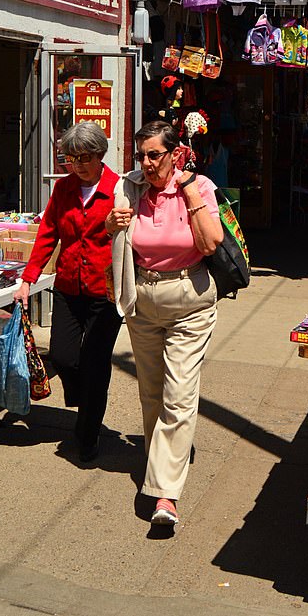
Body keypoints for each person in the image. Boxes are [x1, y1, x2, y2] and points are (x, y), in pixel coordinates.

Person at [105, 121, 223, 528]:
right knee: (151, 394)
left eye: (154, 154)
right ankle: (163, 459)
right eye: (141, 155)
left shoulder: (200, 187)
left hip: (189, 300)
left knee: (179, 396)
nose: (146, 163)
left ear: (175, 154)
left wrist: (188, 190)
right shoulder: (131, 187)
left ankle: (164, 494)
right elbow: (116, 236)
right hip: (143, 300)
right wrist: (111, 227)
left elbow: (210, 244)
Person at [13, 122, 121, 463]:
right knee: (62, 356)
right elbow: (47, 233)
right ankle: (83, 399)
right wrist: (28, 279)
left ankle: (87, 435)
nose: (78, 165)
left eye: (84, 157)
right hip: (69, 287)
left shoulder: (120, 189)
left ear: (100, 155)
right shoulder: (64, 190)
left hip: (106, 293)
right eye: (71, 158)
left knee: (96, 363)